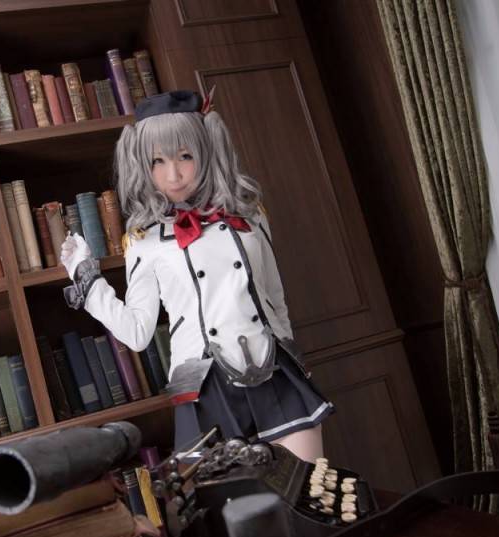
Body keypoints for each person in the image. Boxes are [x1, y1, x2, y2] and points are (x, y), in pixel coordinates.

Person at [59, 90, 333, 462]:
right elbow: (137, 333)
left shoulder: (250, 216)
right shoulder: (144, 241)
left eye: (185, 156)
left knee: (308, 487)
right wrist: (87, 279)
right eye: (157, 161)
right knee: (238, 500)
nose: (172, 175)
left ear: (205, 150)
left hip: (275, 374)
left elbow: (275, 298)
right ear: (141, 165)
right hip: (204, 390)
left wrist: (293, 363)